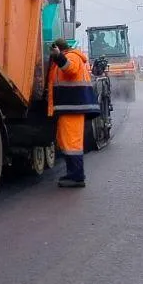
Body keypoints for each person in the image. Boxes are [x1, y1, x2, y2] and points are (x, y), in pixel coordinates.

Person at [47, 37, 100, 188]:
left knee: (72, 143)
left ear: (60, 49)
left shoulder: (72, 57)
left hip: (73, 106)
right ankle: (73, 173)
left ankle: (77, 176)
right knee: (66, 141)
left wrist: (58, 56)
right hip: (68, 107)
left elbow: (69, 69)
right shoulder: (68, 56)